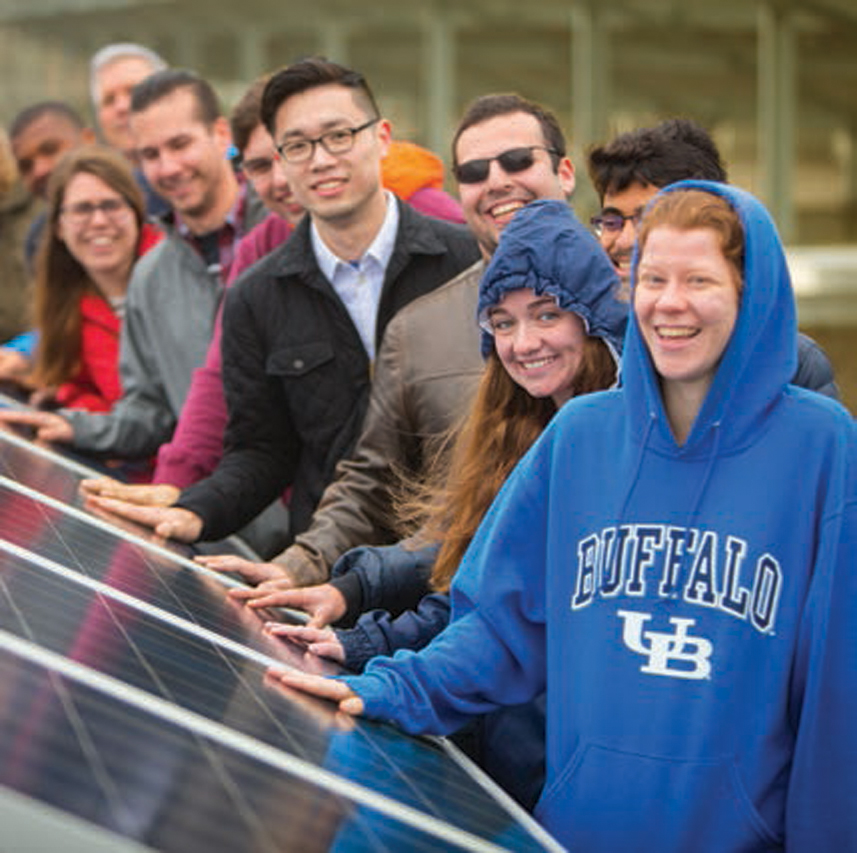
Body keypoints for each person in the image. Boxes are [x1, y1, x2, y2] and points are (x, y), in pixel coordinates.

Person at [273, 181, 857, 852]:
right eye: (653, 279)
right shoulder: (579, 435)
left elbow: (837, 693)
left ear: (750, 294)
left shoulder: (822, 447)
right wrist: (392, 687)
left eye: (698, 279)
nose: (669, 302)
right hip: (576, 834)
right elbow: (499, 627)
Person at [265, 199, 626, 809]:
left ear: (593, 317)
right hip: (521, 768)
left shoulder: (627, 445)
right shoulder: (519, 435)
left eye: (547, 314)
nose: (524, 342)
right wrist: (365, 639)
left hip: (584, 774)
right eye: (503, 323)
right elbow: (480, 596)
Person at [84, 57, 479, 548]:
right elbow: (261, 449)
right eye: (296, 147)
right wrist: (194, 508)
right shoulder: (256, 294)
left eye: (339, 136)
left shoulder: (467, 259)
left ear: (381, 139)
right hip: (327, 563)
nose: (320, 160)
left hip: (463, 551)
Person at [192, 92, 578, 589]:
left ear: (565, 172)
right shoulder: (418, 329)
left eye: (519, 160)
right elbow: (371, 482)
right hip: (462, 606)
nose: (498, 181)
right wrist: (301, 566)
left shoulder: (634, 305)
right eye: (475, 172)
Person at [0, 69, 267, 460]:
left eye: (180, 144)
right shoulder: (151, 277)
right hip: (207, 484)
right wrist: (74, 425)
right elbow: (153, 412)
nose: (169, 167)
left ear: (221, 134)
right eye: (151, 155)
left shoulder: (281, 227)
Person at [587, 117, 838, 398]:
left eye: (648, 218)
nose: (624, 240)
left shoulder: (792, 364)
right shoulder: (579, 347)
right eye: (611, 221)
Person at [27, 145, 161, 414]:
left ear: (136, 214)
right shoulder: (67, 312)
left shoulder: (178, 272)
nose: (99, 221)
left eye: (111, 205)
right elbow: (79, 388)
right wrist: (76, 409)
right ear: (59, 227)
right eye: (82, 210)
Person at [89, 42, 169, 217]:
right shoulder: (93, 204)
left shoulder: (224, 158)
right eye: (109, 100)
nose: (122, 107)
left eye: (133, 91)